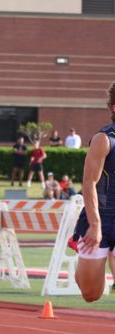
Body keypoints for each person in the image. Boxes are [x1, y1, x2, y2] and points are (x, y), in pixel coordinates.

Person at [71, 81, 115, 303]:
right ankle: (91, 266)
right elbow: (88, 183)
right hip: (102, 217)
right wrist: (95, 225)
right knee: (91, 294)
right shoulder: (104, 140)